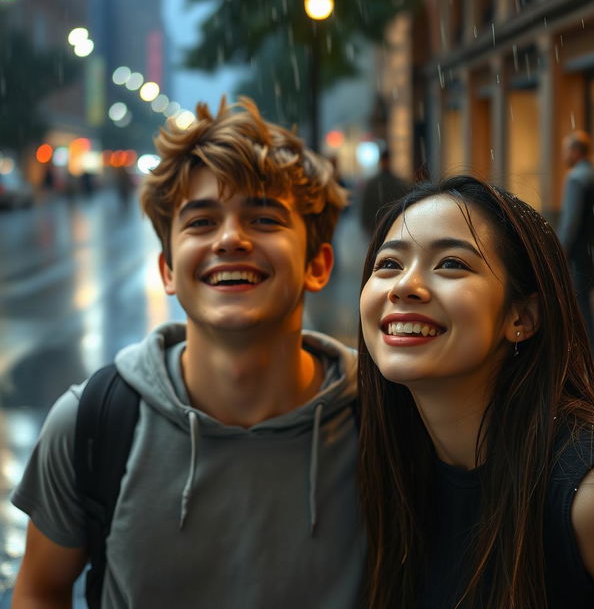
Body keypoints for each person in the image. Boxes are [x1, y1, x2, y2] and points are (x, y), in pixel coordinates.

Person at [11, 97, 365, 608]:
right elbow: (41, 590)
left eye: (263, 219)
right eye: (201, 222)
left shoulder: (384, 418)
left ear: (317, 264)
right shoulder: (91, 423)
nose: (230, 239)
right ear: (168, 271)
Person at [357, 175, 594, 608]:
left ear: (521, 318)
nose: (403, 286)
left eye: (451, 263)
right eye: (389, 264)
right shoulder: (386, 459)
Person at [557, 130, 594, 357]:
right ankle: (590, 345)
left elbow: (570, 220)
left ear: (575, 151)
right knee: (584, 298)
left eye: (566, 150)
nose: (564, 155)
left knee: (578, 299)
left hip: (578, 251)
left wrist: (560, 251)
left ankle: (586, 346)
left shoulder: (575, 179)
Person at [359, 148, 408, 237]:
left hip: (383, 226)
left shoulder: (373, 183)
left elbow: (365, 208)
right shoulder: (397, 183)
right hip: (389, 226)